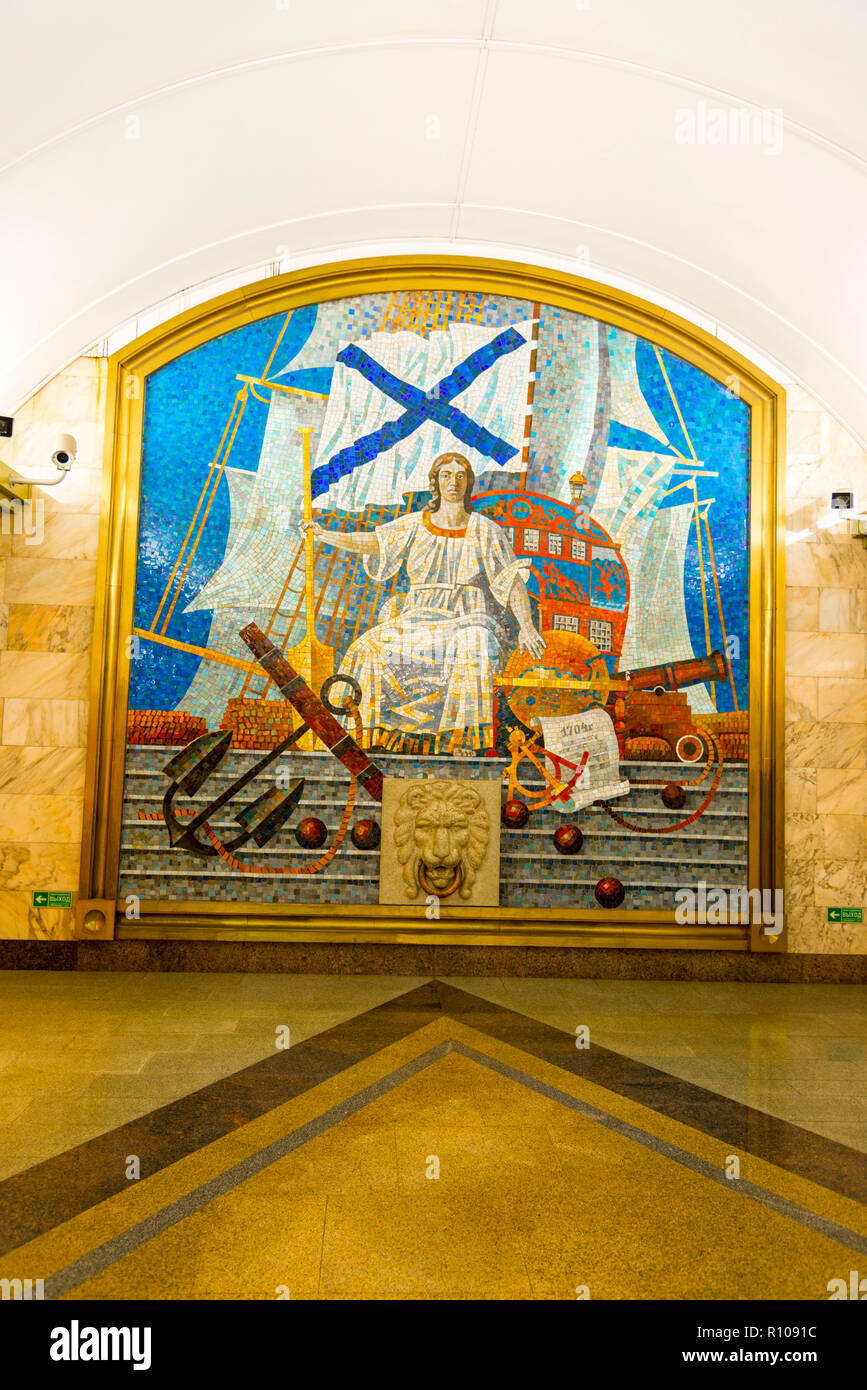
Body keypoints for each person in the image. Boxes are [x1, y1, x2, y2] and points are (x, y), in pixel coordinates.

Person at [301, 452, 545, 754]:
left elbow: (511, 580)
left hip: (466, 619)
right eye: (446, 475)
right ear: (436, 482)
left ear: (468, 483)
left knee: (475, 645)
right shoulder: (415, 524)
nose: (453, 482)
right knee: (369, 648)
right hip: (416, 619)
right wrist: (325, 535)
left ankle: (459, 740)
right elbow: (374, 542)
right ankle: (366, 736)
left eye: (460, 476)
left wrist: (527, 627)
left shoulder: (485, 529)